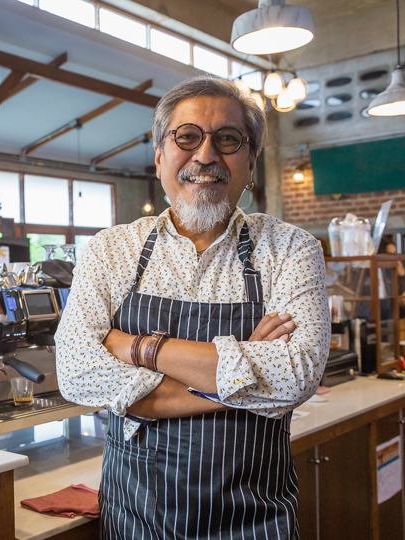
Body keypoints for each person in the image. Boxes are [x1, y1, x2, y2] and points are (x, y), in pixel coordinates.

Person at [55, 75, 330, 540]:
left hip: (255, 520)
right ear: (160, 155)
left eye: (227, 139)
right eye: (187, 137)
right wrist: (243, 382)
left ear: (251, 161)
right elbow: (75, 370)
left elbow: (297, 375)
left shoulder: (291, 248)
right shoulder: (111, 250)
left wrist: (138, 347)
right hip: (134, 517)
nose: (205, 155)